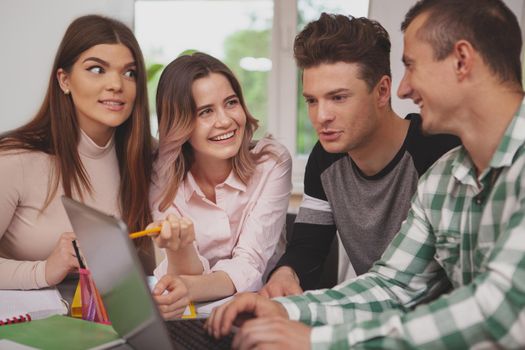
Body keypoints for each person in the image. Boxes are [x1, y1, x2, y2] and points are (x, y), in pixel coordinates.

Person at [207, 0, 525, 348]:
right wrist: (288, 311)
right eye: (311, 100)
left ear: (462, 61)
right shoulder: (443, 179)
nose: (405, 89)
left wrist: (318, 341)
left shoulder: (446, 162)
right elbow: (393, 286)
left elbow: (499, 312)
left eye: (411, 66)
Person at [260, 13, 459, 298]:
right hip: (372, 311)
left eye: (338, 97)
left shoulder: (437, 152)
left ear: (382, 91)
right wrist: (285, 273)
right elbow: (308, 247)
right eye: (312, 101)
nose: (321, 117)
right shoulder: (325, 157)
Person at [0, 15, 157, 290]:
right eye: (97, 69)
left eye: (129, 72)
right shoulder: (14, 159)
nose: (116, 85)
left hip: (105, 321)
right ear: (64, 80)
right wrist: (44, 270)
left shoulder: (147, 157)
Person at [149, 52, 292, 313]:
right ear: (179, 123)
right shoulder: (161, 174)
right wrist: (181, 250)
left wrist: (188, 287)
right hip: (195, 313)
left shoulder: (271, 163)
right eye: (205, 111)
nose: (225, 120)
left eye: (231, 102)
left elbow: (249, 264)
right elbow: (185, 273)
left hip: (263, 308)